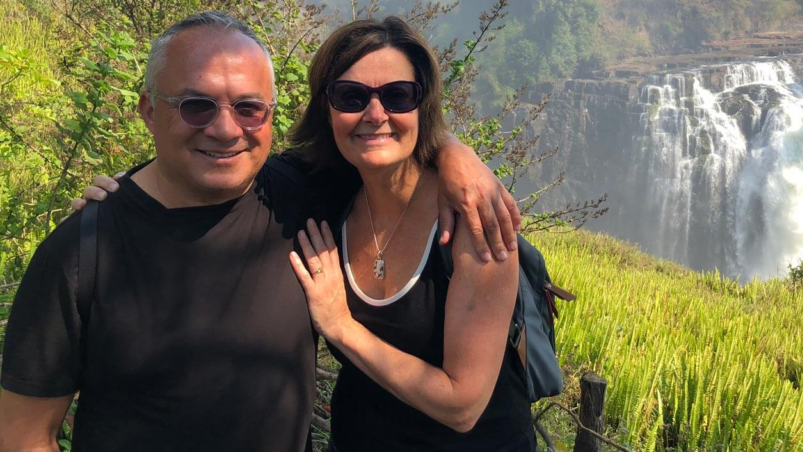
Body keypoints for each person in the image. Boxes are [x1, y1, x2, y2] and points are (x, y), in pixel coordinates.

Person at [0, 12, 519, 452]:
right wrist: (115, 200)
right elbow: (23, 435)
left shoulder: (302, 197)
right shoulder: (83, 249)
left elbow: (391, 137)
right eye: (195, 105)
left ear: (270, 116)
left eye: (248, 108)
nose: (226, 129)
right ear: (149, 111)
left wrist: (456, 155)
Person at [289, 17, 535, 451]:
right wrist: (132, 188)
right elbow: (223, 171)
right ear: (326, 109)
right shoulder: (328, 196)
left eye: (398, 95)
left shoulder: (473, 219)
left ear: (423, 106)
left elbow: (462, 406)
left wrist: (340, 325)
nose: (376, 113)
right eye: (351, 96)